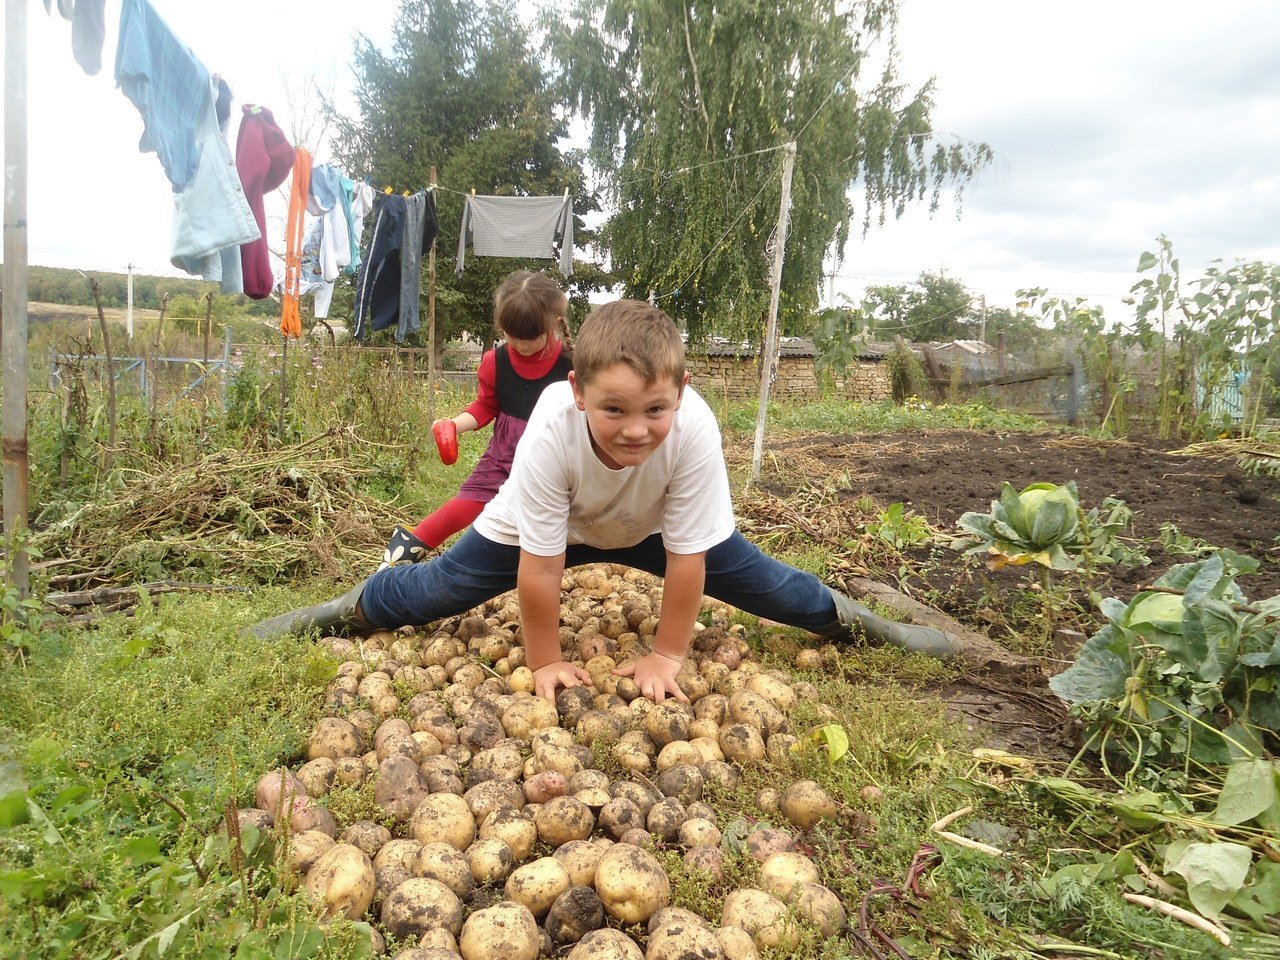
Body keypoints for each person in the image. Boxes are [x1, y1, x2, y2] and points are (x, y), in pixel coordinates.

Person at [248, 300, 957, 702]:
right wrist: (546, 657)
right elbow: (541, 568)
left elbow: (689, 559)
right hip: (543, 528)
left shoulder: (695, 429)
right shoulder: (551, 431)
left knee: (777, 587)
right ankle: (346, 608)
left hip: (650, 530)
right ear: (578, 393)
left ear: (680, 395)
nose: (636, 429)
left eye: (655, 408)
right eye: (613, 408)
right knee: (434, 590)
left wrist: (668, 657)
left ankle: (868, 626)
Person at [379, 270, 573, 569]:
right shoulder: (495, 362)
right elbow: (485, 406)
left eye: (531, 338)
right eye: (512, 337)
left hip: (557, 461)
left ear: (555, 323)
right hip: (504, 459)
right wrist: (454, 424)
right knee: (461, 508)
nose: (521, 345)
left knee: (557, 522)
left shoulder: (574, 364)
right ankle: (391, 567)